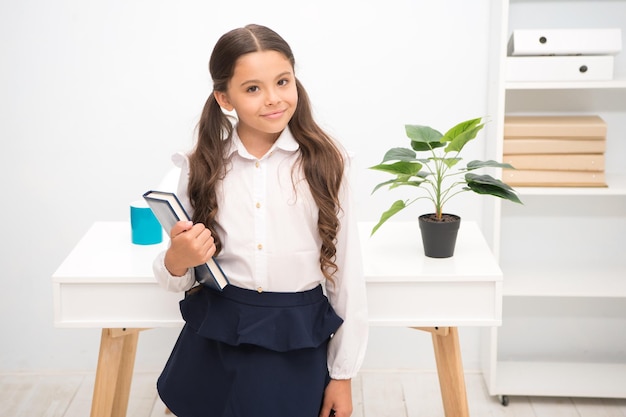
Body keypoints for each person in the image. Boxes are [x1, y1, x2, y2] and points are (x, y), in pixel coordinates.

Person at [153, 24, 368, 417]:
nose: (273, 99)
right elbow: (175, 273)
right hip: (214, 336)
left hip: (295, 341)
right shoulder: (199, 167)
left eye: (283, 81)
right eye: (252, 88)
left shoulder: (326, 164)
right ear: (225, 98)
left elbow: (346, 274)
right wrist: (177, 257)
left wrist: (342, 375)